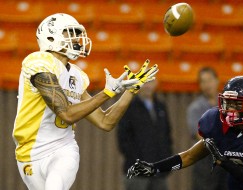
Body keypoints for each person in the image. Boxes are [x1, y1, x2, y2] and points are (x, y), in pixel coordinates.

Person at [12, 13, 158, 190]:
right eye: (69, 33)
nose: (76, 38)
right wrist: (107, 93)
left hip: (63, 148)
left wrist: (130, 92)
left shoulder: (77, 75)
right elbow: (66, 113)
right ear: (51, 36)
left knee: (54, 185)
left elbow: (105, 122)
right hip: (29, 153)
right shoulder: (38, 62)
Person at [127, 76, 243, 190]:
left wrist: (224, 162)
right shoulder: (216, 124)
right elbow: (188, 156)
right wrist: (155, 168)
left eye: (237, 105)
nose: (231, 110)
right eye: (228, 103)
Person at [117, 79, 173, 190]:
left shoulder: (161, 107)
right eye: (145, 82)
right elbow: (123, 139)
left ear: (156, 83)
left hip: (159, 172)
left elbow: (167, 136)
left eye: (151, 82)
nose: (148, 86)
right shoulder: (128, 107)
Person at [186, 67, 228, 190]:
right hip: (205, 162)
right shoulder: (195, 108)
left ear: (217, 81)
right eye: (203, 81)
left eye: (209, 80)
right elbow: (202, 136)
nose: (206, 85)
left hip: (227, 163)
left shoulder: (228, 105)